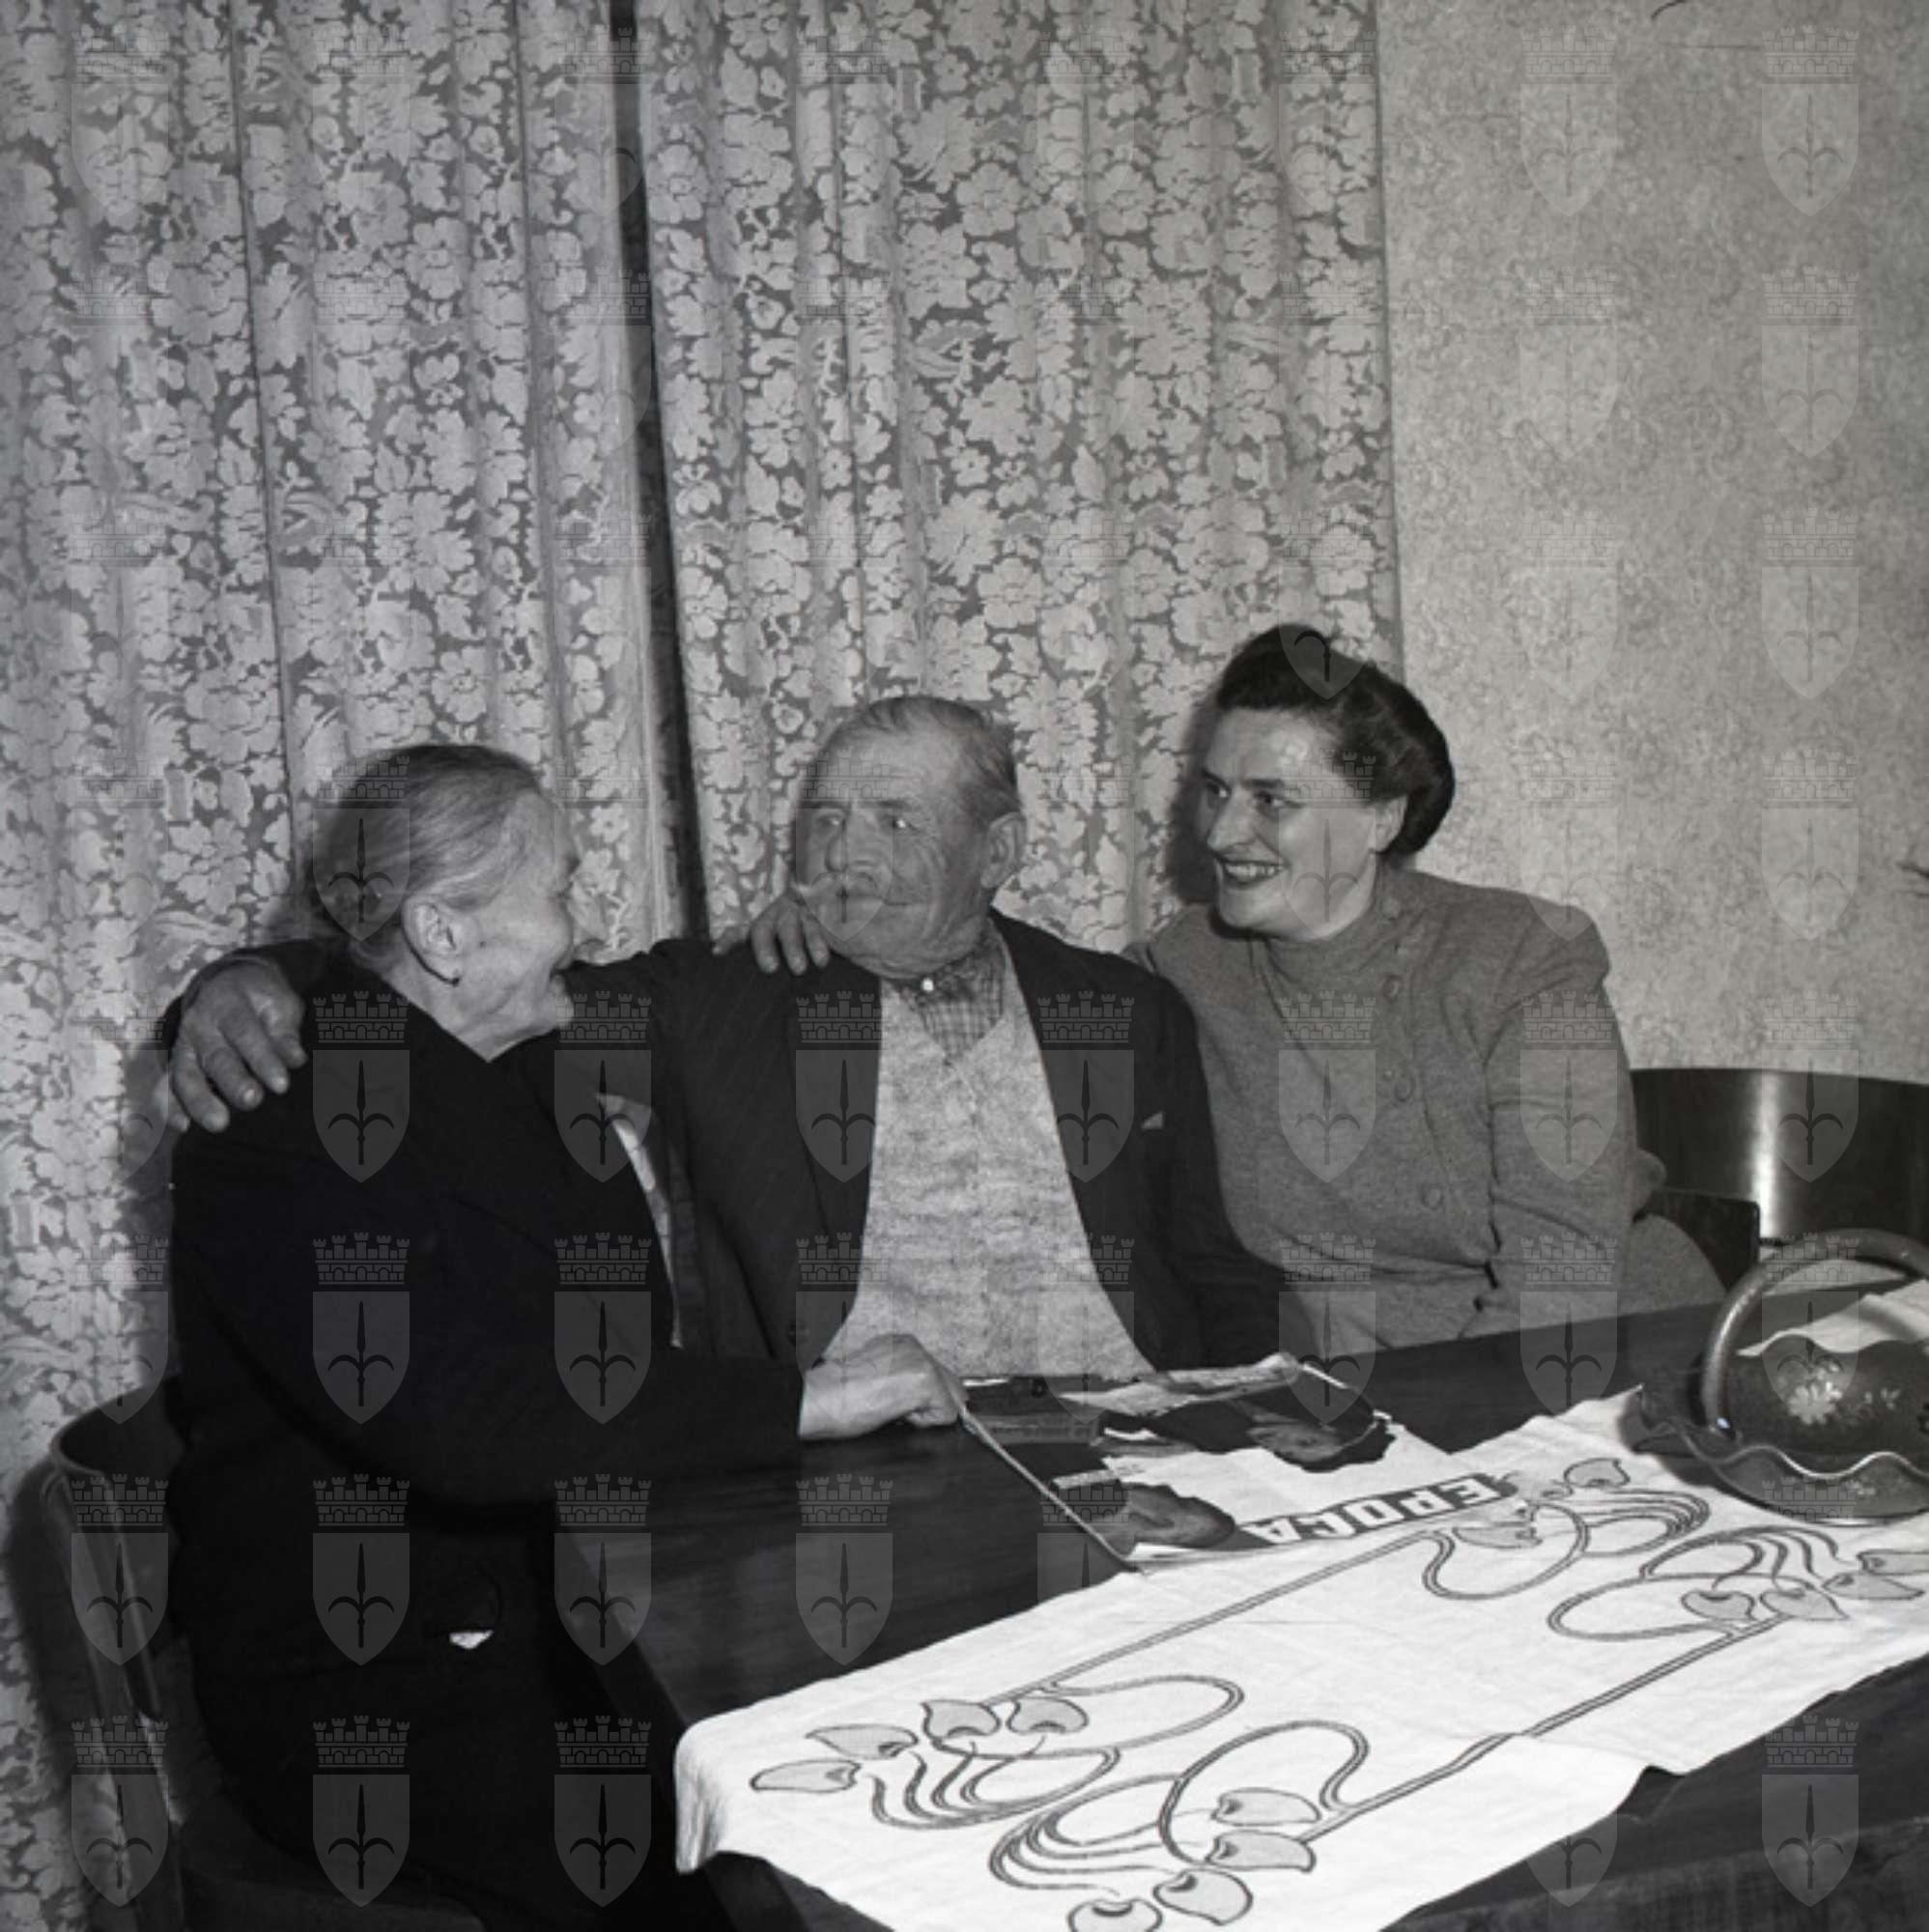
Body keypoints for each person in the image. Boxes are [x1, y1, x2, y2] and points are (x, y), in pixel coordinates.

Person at [166, 746, 958, 1931]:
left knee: (889, 1743)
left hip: (566, 1609)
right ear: (442, 931)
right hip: (388, 1690)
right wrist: (806, 1399)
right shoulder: (279, 1119)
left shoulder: (516, 1051)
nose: (579, 925)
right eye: (558, 888)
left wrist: (251, 966)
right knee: (778, 1856)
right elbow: (463, 1418)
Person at [165, 700, 1311, 1382]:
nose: (844, 853)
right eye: (827, 818)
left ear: (997, 851)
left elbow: (1211, 1265)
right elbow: (440, 988)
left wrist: (1243, 1413)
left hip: (1128, 1429)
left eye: (895, 820)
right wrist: (252, 977)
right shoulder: (714, 1001)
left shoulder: (1122, 1006)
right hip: (873, 1464)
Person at [741, 635, 1717, 1353]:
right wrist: (840, 919)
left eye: (1270, 800)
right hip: (1342, 1388)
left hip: (1595, 1354)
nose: (1219, 833)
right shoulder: (1180, 971)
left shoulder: (1521, 957)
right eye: (1213, 791)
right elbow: (997, 979)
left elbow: (1558, 1270)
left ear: (1380, 818)